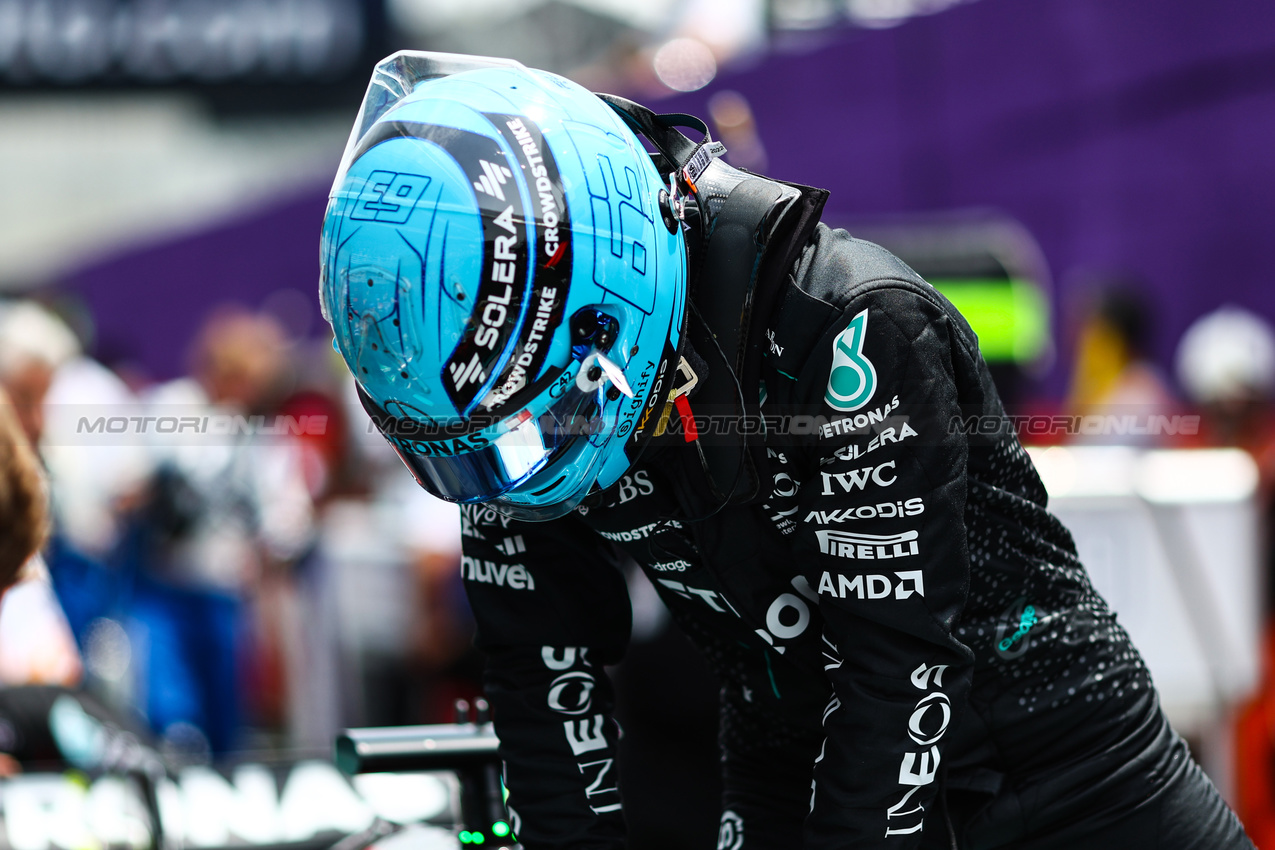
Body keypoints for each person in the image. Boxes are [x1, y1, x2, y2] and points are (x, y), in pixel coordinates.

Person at [319, 51, 1254, 849]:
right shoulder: (498, 388)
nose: (509, 467)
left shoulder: (848, 329)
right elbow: (538, 666)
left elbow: (894, 671)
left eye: (527, 428)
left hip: (1062, 768)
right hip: (785, 759)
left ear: (607, 299)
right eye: (476, 451)